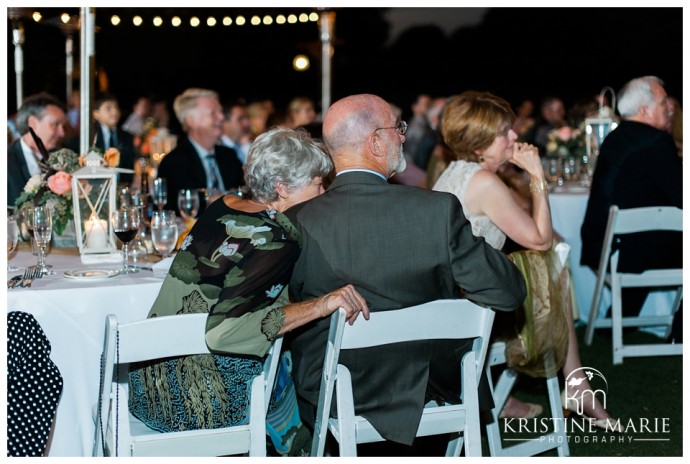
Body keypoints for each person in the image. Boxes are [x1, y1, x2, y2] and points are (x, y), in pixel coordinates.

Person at [285, 93, 526, 448]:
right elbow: (508, 293)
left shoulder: (297, 221)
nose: (402, 136)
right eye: (397, 128)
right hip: (429, 380)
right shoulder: (437, 210)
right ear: (375, 143)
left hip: (336, 385)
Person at [128, 127, 369, 456]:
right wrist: (323, 303)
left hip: (148, 389)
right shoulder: (276, 236)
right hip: (195, 405)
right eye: (316, 182)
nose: (323, 191)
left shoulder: (221, 205)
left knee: (284, 344)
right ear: (282, 188)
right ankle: (307, 451)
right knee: (294, 353)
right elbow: (224, 335)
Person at [433, 90, 620, 428]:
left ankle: (571, 387)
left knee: (549, 263)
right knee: (551, 263)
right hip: (472, 312)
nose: (514, 137)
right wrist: (537, 175)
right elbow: (540, 239)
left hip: (453, 295)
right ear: (479, 146)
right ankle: (578, 387)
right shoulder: (484, 181)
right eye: (504, 133)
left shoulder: (458, 171)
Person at [580, 76, 682, 342]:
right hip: (632, 252)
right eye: (663, 103)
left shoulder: (616, 138)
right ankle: (682, 331)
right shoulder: (656, 142)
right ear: (645, 110)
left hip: (603, 244)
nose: (669, 108)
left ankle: (618, 324)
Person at [157, 88, 244, 214]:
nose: (221, 117)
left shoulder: (228, 155)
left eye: (220, 112)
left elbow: (247, 192)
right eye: (213, 113)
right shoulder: (174, 162)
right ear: (191, 121)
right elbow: (187, 208)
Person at [7, 93, 67, 205]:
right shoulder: (7, 161)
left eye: (63, 126)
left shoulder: (62, 158)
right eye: (56, 124)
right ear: (33, 123)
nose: (62, 133)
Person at [66, 92, 136, 183]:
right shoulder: (87, 137)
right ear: (95, 113)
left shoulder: (126, 137)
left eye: (116, 107)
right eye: (108, 108)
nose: (114, 111)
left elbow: (129, 168)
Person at [220, 100, 252, 164]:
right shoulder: (218, 148)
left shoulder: (247, 143)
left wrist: (246, 145)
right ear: (225, 122)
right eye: (240, 119)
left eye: (247, 118)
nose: (247, 123)